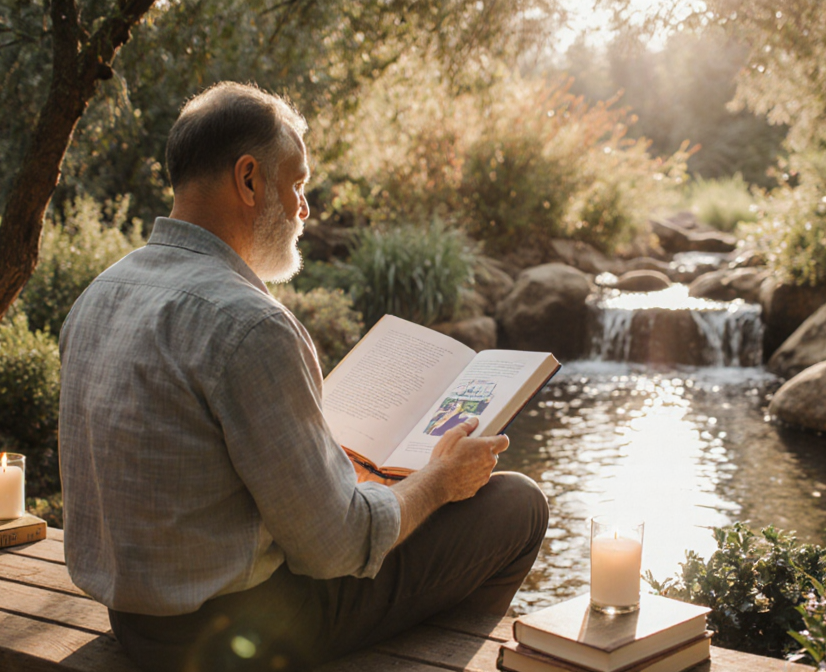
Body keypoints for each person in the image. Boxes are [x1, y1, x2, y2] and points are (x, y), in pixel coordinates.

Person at [58, 82, 548, 672]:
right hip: (233, 634)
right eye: (297, 184)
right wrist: (440, 480)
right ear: (248, 179)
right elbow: (337, 547)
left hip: (133, 621)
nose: (304, 209)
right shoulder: (248, 323)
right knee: (518, 504)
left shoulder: (100, 294)